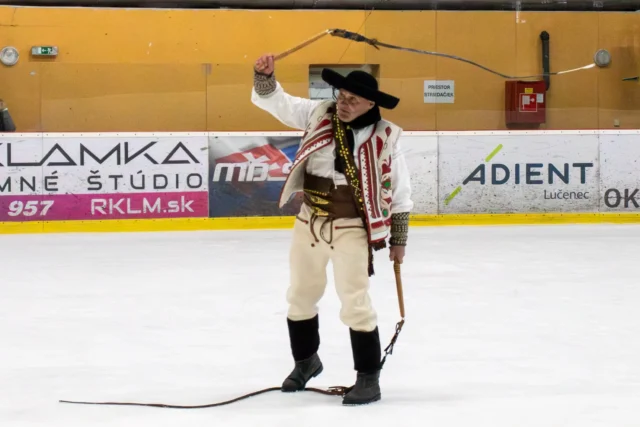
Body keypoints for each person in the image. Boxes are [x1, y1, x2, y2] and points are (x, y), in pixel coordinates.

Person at [251, 54, 413, 405]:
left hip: (352, 228)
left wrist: (398, 239)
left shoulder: (386, 136)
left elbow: (400, 193)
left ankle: (368, 378)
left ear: (370, 104)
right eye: (342, 96)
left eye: (353, 100)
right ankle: (306, 362)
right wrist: (265, 77)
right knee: (300, 295)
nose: (344, 103)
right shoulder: (319, 112)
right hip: (309, 221)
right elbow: (279, 103)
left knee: (355, 302)